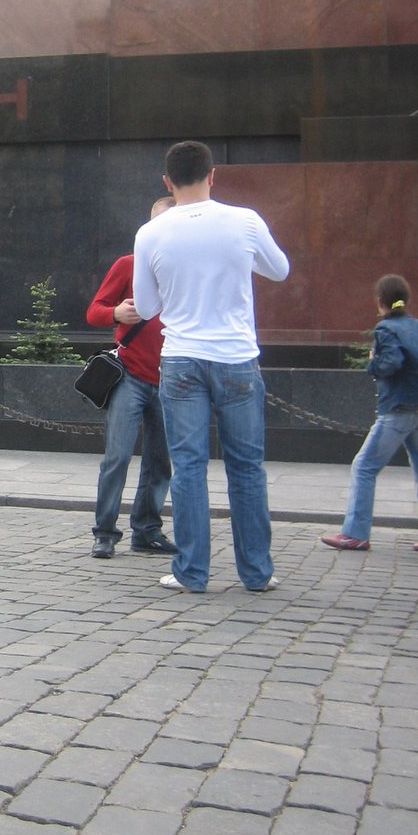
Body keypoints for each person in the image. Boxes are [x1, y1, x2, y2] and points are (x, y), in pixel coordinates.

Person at [133, 140, 290, 593]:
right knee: (247, 467)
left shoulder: (150, 233)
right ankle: (257, 573)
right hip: (236, 357)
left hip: (181, 358)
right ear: (212, 175)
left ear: (167, 182)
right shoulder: (245, 221)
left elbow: (146, 306)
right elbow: (279, 270)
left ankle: (192, 572)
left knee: (188, 467)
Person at [86, 196, 177, 559]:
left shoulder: (188, 269)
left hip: (171, 378)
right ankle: (105, 532)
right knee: (118, 456)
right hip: (131, 378)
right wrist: (115, 314)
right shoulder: (129, 265)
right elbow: (94, 311)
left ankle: (147, 531)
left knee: (161, 462)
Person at [321, 274, 418, 553]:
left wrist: (372, 363)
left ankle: (355, 534)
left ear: (380, 302)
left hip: (397, 409)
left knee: (364, 466)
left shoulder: (386, 329)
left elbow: (391, 363)